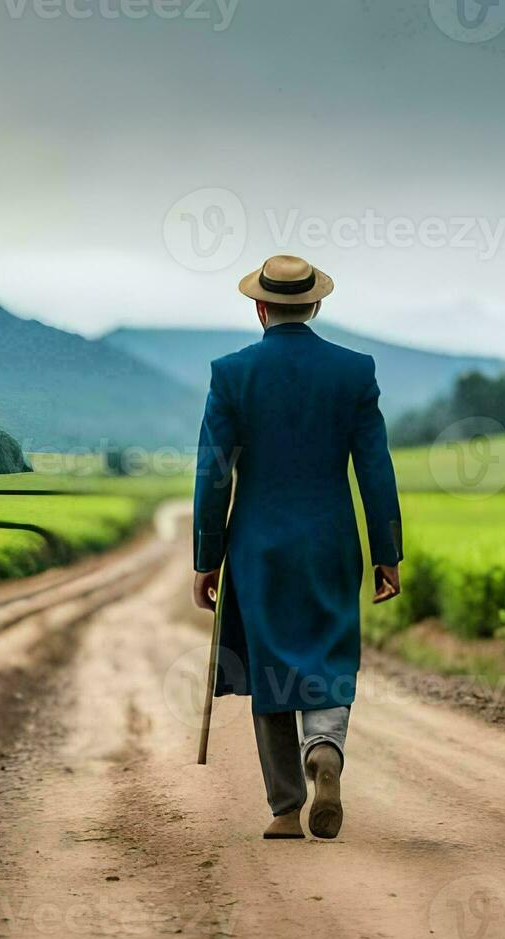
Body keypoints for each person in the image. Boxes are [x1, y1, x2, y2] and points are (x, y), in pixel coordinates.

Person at [192, 254, 403, 840]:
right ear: (314, 305)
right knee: (328, 653)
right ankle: (326, 749)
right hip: (332, 540)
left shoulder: (231, 373)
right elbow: (375, 469)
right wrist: (388, 552)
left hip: (258, 547)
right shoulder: (354, 371)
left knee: (272, 664)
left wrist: (206, 558)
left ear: (260, 307)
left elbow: (213, 474)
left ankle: (285, 809)